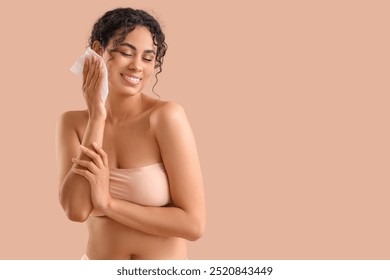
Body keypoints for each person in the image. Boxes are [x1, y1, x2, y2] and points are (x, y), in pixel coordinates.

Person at [55, 7, 205, 260]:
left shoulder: (165, 117)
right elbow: (76, 210)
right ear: (99, 50)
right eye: (126, 53)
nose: (137, 66)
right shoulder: (72, 123)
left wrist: (108, 205)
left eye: (148, 58)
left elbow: (193, 225)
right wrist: (97, 116)